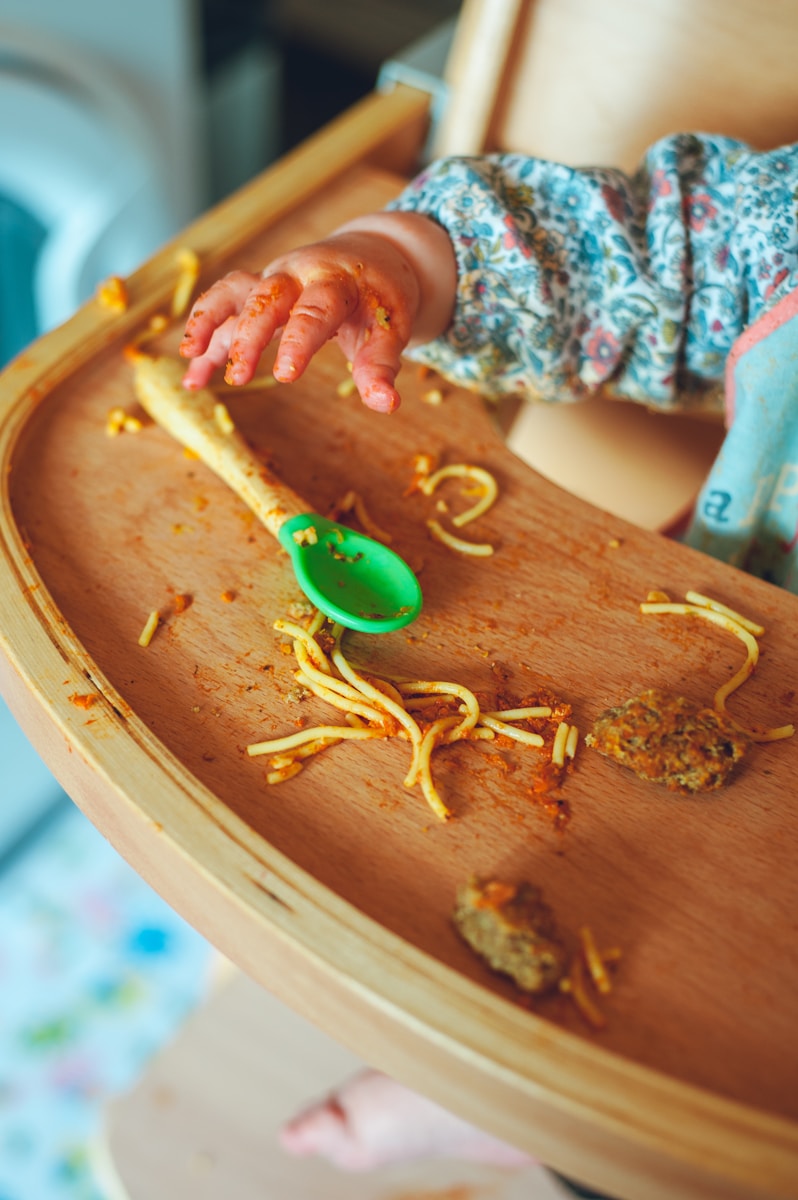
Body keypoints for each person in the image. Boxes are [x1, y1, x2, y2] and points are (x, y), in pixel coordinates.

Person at [180, 133, 798, 1193]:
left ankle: (550, 1128)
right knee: (589, 901)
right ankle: (520, 1090)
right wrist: (399, 269)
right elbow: (621, 255)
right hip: (723, 658)